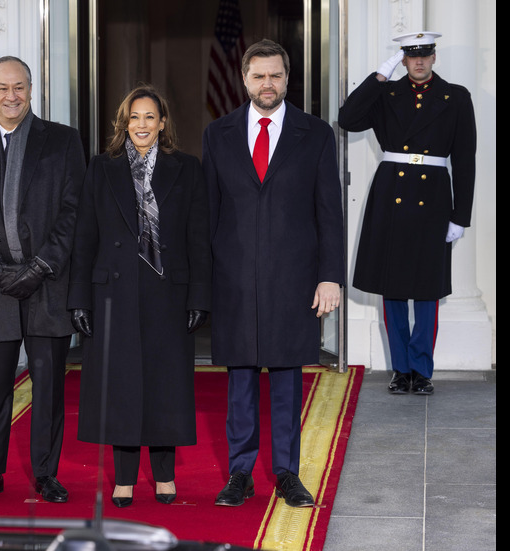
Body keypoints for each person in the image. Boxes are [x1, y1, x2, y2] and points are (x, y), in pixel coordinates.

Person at [202, 39, 345, 508]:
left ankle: (287, 473)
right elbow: (209, 212)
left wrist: (331, 276)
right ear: (244, 79)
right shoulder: (218, 133)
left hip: (294, 279)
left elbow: (329, 211)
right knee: (240, 379)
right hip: (235, 279)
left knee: (286, 378)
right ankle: (239, 474)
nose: (268, 84)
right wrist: (205, 282)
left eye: (276, 75)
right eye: (259, 75)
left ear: (288, 79)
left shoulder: (316, 133)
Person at [0, 56, 86, 503]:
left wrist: (41, 266)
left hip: (47, 284)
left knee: (47, 387)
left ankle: (46, 474)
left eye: (20, 87)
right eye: (3, 87)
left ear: (31, 89)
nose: (12, 96)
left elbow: (72, 212)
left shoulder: (63, 141)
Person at [68, 85, 210, 508]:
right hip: (114, 292)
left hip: (168, 292)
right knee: (121, 388)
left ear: (163, 122)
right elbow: (85, 236)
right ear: (123, 123)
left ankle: (165, 477)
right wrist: (79, 297)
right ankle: (125, 479)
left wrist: (199, 296)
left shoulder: (187, 168)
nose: (142, 125)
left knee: (166, 386)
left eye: (150, 117)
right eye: (134, 117)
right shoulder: (102, 167)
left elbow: (198, 237)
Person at [338, 32, 476, 396]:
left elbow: (464, 160)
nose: (419, 61)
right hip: (391, 194)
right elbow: (348, 118)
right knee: (394, 287)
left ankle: (422, 370)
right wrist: (379, 76)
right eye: (411, 56)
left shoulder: (457, 97)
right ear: (402, 59)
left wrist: (461, 215)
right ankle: (401, 370)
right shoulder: (387, 94)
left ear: (434, 57)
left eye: (425, 55)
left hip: (433, 197)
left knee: (427, 289)